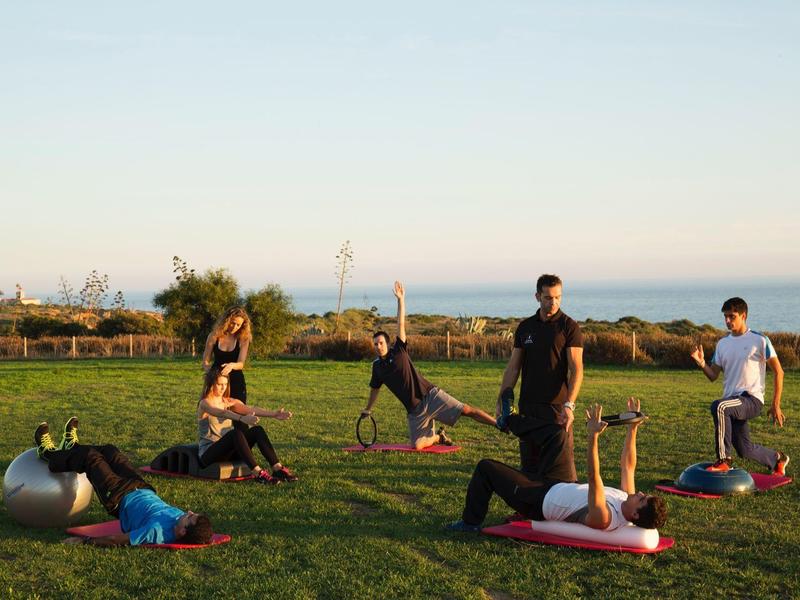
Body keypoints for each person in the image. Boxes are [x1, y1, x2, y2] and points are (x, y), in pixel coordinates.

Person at [448, 399, 667, 532]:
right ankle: (509, 420)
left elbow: (593, 478)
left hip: (539, 499)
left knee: (486, 467)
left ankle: (470, 523)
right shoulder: (626, 500)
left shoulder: (604, 517)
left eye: (642, 498)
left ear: (636, 515)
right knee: (558, 435)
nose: (638, 492)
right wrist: (633, 429)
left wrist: (593, 437)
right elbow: (628, 466)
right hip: (561, 482)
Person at [33, 418, 213, 547]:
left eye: (190, 516)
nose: (189, 511)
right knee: (111, 451)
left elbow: (117, 540)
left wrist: (85, 541)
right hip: (139, 485)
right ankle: (71, 447)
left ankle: (48, 454)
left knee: (92, 458)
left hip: (118, 496)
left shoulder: (156, 532)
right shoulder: (180, 523)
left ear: (182, 532)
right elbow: (201, 532)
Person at [362, 281, 497, 450]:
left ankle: (498, 423)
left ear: (388, 344)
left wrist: (400, 300)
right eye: (375, 344)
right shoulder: (377, 367)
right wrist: (367, 409)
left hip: (430, 396)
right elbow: (375, 390)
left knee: (466, 410)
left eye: (380, 343)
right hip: (414, 410)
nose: (378, 346)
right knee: (417, 446)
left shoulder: (399, 351)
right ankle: (437, 436)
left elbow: (401, 324)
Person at [495, 274, 584, 482]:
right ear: (537, 296)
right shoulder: (525, 327)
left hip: (557, 409)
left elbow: (577, 369)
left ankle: (566, 508)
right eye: (548, 297)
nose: (553, 302)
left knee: (562, 468)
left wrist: (569, 405)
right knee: (530, 465)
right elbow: (513, 368)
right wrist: (501, 398)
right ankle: (529, 508)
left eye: (557, 297)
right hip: (529, 407)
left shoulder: (569, 327)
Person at [690, 297, 789, 474]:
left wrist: (776, 404)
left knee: (720, 407)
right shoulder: (722, 344)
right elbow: (713, 375)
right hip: (733, 402)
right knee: (745, 449)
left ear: (744, 316)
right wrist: (702, 363)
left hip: (751, 400)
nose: (728, 321)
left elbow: (779, 372)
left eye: (732, 316)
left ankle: (723, 460)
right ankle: (777, 459)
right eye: (725, 316)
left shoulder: (760, 340)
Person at [198, 368, 298, 484]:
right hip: (209, 455)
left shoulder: (228, 401)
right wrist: (241, 418)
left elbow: (251, 410)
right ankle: (257, 473)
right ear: (211, 384)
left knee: (257, 430)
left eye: (225, 384)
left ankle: (277, 469)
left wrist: (274, 414)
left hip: (229, 452)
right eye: (219, 384)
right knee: (235, 433)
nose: (223, 388)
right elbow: (221, 412)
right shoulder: (204, 403)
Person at [203, 307, 251, 409]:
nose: (235, 327)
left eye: (239, 325)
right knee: (213, 415)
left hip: (236, 380)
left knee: (239, 414)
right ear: (226, 321)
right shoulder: (213, 336)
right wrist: (212, 375)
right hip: (217, 382)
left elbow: (241, 364)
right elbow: (206, 361)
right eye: (232, 323)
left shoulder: (244, 339)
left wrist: (232, 365)